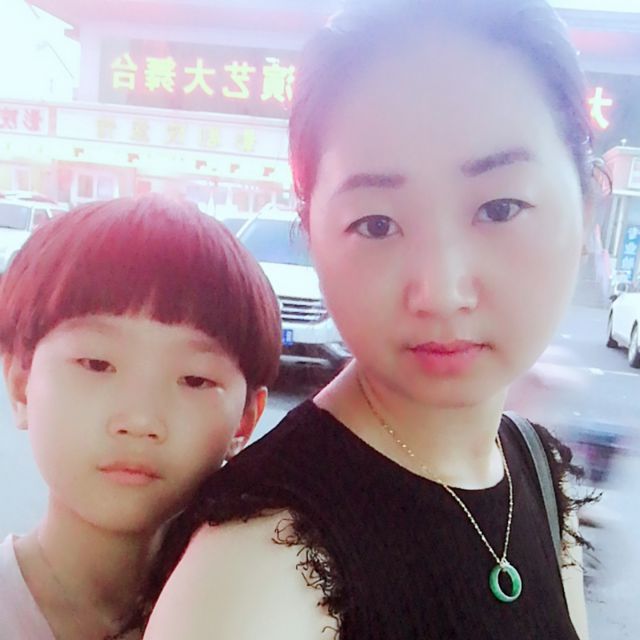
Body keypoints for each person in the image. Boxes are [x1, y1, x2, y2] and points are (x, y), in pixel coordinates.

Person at [139, 1, 599, 638]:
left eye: (499, 208)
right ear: (312, 233)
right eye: (377, 223)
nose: (440, 293)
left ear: (588, 208)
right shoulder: (257, 572)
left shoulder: (538, 475)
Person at [0, 195, 281, 640]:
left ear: (245, 421)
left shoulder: (268, 618)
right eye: (96, 364)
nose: (140, 420)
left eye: (194, 380)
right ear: (21, 384)